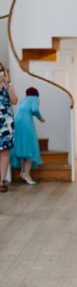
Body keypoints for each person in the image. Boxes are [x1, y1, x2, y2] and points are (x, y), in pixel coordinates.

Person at [10, 87, 43, 184]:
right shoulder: (35, 99)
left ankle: (22, 173)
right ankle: (27, 174)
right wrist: (40, 118)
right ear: (36, 94)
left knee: (24, 148)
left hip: (17, 124)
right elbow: (35, 109)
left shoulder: (23, 100)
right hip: (26, 124)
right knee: (30, 148)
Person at [0, 62, 18, 192]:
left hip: (7, 122)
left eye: (1, 71)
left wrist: (7, 85)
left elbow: (14, 101)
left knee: (5, 151)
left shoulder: (8, 86)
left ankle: (3, 180)